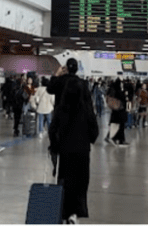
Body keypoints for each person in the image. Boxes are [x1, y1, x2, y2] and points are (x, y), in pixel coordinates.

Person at [50, 80, 99, 223]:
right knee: (80, 183)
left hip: (65, 152)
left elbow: (53, 130)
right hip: (82, 152)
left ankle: (64, 212)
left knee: (65, 181)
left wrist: (55, 146)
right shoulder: (87, 110)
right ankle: (75, 213)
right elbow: (94, 132)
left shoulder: (60, 109)